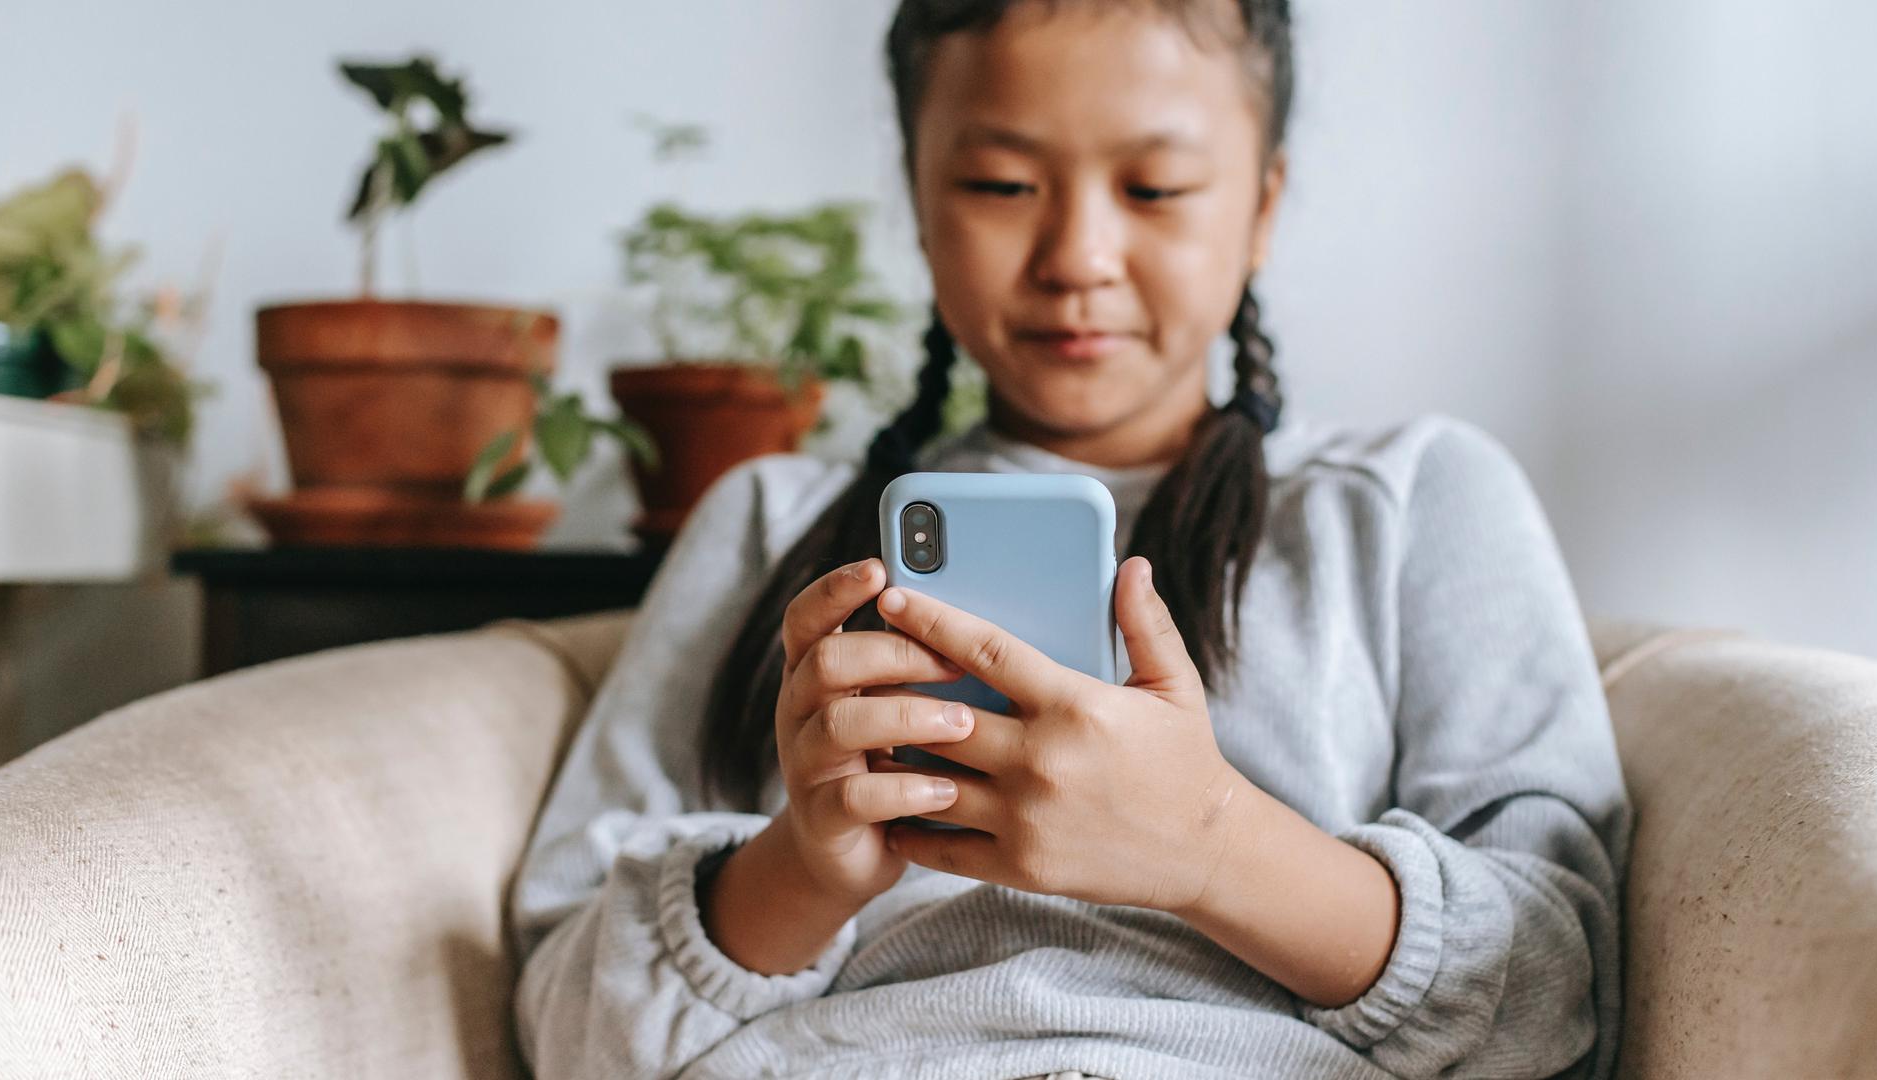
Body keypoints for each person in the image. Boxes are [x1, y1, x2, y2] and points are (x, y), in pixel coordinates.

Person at [509, 1, 1631, 1077]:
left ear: (1263, 206)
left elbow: (1559, 986)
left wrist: (1211, 845)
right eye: (1001, 183)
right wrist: (799, 871)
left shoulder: (1410, 502)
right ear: (918, 195)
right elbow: (561, 1013)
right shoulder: (772, 527)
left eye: (1155, 186)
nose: (1077, 256)